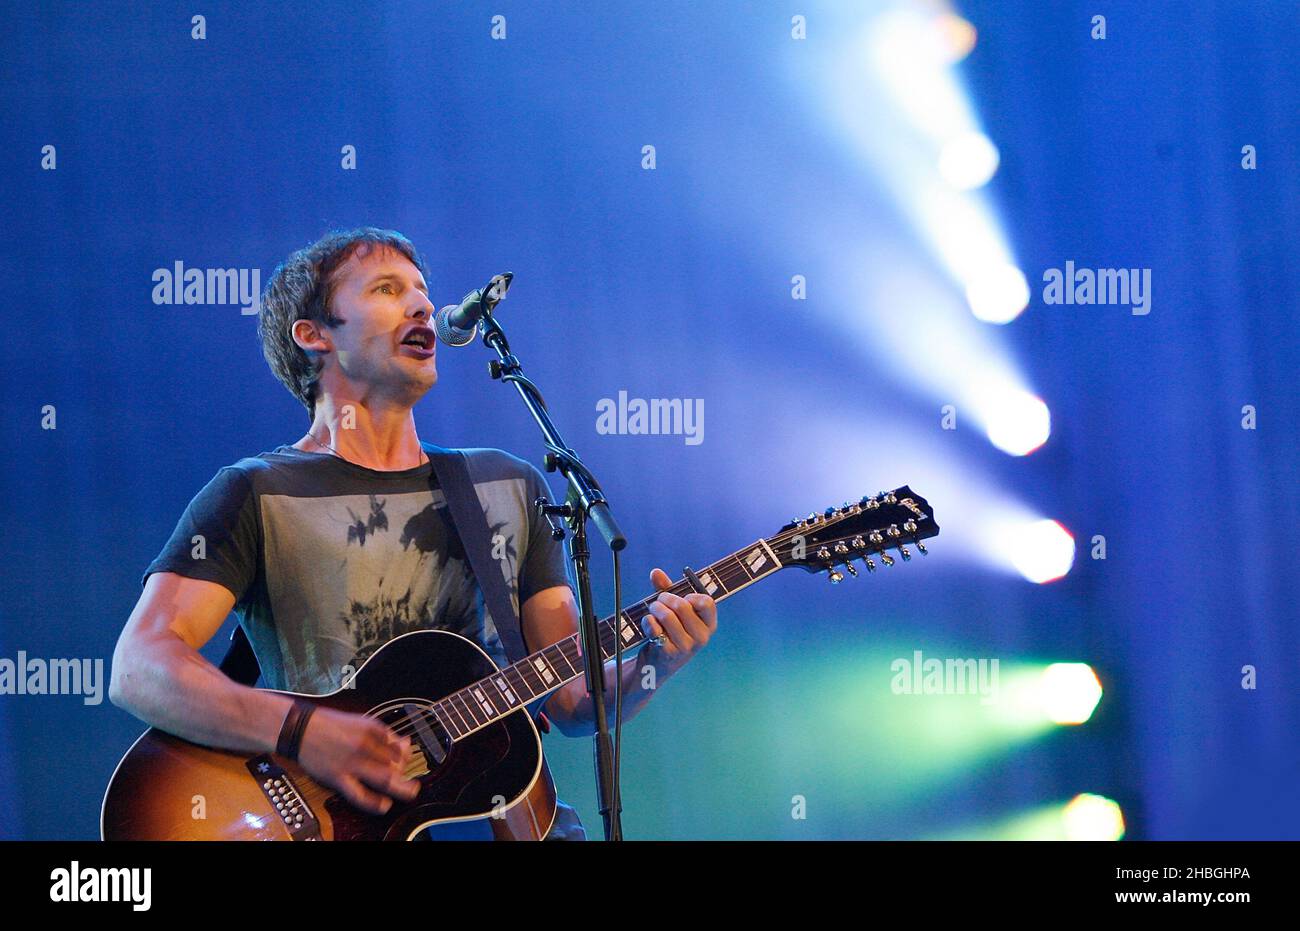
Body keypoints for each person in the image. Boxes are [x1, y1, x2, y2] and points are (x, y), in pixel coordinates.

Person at [108, 227, 719, 840]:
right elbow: (140, 666)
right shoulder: (256, 492)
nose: (424, 305)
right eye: (386, 289)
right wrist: (303, 731)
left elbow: (570, 704)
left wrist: (656, 664)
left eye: (423, 292)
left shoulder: (508, 486)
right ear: (314, 334)